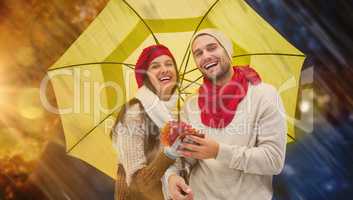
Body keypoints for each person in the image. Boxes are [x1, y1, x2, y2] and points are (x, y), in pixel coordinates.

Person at [165, 29, 287, 200]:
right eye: (198, 53)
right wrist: (172, 177)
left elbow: (273, 160)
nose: (206, 56)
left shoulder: (264, 95)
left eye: (212, 47)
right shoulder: (191, 106)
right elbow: (183, 158)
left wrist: (218, 152)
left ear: (228, 51)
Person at [112, 44, 183, 200]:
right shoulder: (135, 112)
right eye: (155, 66)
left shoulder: (180, 114)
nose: (164, 69)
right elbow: (138, 183)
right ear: (145, 76)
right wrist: (170, 153)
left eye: (169, 64)